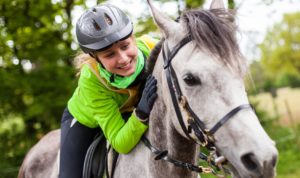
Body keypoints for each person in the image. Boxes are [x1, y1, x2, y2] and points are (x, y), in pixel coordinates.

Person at [59, 3, 158, 178]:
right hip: (85, 120)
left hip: (129, 111)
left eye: (125, 46)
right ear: (95, 57)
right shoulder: (91, 79)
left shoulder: (153, 48)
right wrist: (142, 113)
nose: (123, 59)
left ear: (133, 38)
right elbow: (121, 143)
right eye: (109, 55)